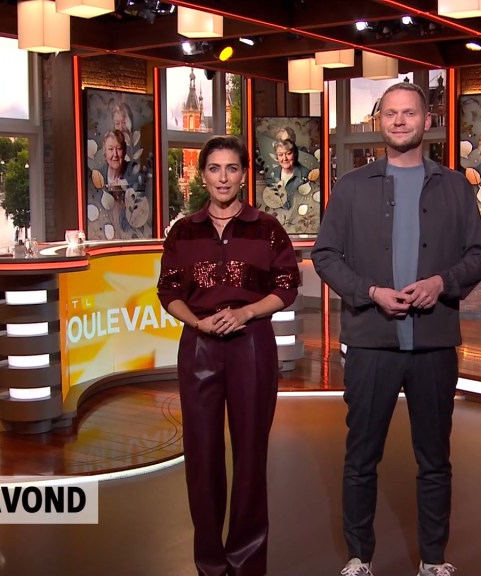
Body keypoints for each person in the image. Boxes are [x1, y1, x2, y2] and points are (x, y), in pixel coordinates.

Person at [313, 82, 481, 576]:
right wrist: (370, 291)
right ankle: (359, 558)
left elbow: (480, 256)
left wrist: (442, 282)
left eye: (408, 113)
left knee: (435, 460)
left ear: (426, 121)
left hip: (434, 344)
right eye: (389, 113)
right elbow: (325, 255)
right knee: (360, 457)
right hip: (371, 342)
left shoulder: (454, 186)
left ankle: (433, 561)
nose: (398, 121)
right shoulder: (351, 187)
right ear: (380, 122)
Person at [157, 135, 300, 576]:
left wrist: (246, 313)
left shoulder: (266, 227)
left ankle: (246, 562)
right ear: (203, 175)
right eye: (215, 169)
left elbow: (287, 285)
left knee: (251, 454)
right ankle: (210, 564)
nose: (223, 178)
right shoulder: (184, 231)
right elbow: (168, 290)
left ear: (243, 175)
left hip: (251, 344)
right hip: (198, 346)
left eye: (232, 168)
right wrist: (197, 323)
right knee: (201, 456)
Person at [265, 138, 309, 208]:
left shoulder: (306, 174)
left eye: (288, 154)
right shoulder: (272, 174)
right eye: (280, 155)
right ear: (277, 157)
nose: (284, 158)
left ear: (295, 154)